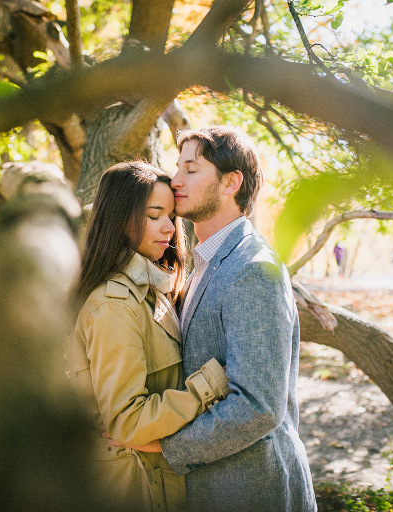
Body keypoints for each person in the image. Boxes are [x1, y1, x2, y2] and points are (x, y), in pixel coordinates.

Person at [124, 126, 317, 511]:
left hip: (253, 490)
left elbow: (258, 405)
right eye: (177, 167)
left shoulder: (253, 269)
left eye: (191, 170)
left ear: (231, 182)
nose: (175, 180)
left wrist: (165, 446)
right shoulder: (200, 262)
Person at [67, 161, 231, 512]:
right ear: (120, 218)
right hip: (133, 486)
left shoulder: (153, 290)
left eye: (171, 215)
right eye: (155, 215)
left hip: (159, 479)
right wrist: (209, 387)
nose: (170, 228)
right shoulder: (114, 304)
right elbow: (127, 421)